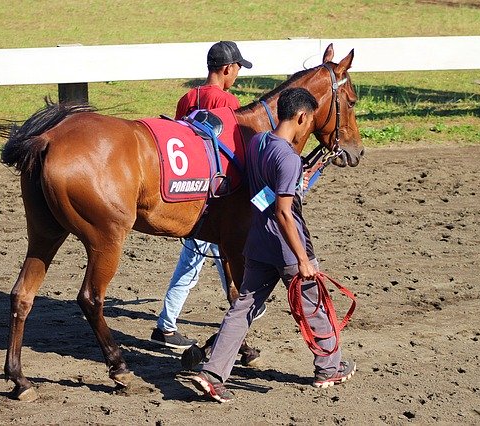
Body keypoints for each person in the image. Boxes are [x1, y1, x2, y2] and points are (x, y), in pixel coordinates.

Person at [190, 88, 356, 403]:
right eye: (309, 122)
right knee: (313, 303)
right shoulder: (289, 158)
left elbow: (263, 195)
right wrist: (302, 259)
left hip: (258, 241)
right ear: (303, 117)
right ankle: (329, 367)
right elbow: (283, 212)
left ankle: (212, 374)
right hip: (287, 245)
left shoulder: (258, 143)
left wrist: (295, 185)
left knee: (242, 309)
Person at [150, 41, 254, 349]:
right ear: (226, 69)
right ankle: (167, 325)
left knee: (208, 261)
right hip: (215, 195)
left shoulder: (187, 98)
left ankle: (235, 324)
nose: (237, 74)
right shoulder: (228, 102)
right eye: (237, 69)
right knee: (202, 261)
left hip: (189, 189)